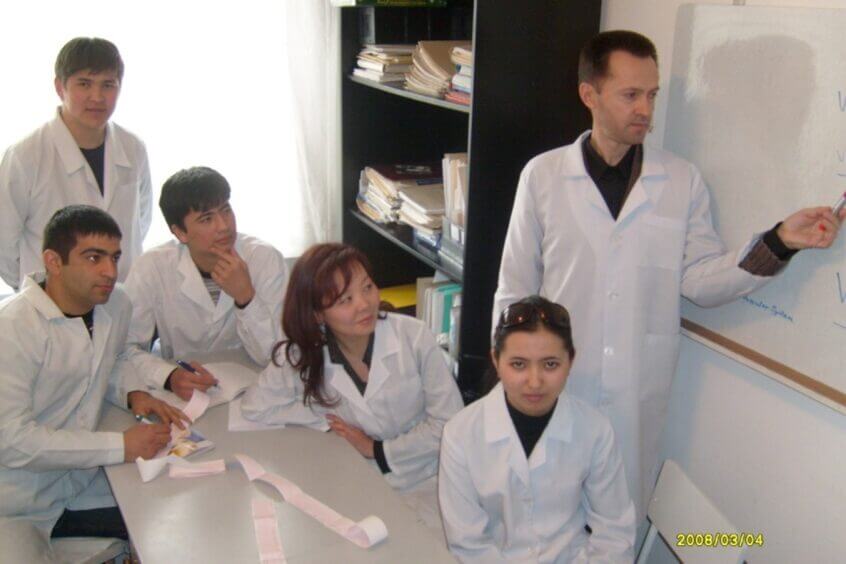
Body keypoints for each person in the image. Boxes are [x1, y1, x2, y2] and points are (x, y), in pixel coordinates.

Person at [492, 30, 846, 521]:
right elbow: (514, 288)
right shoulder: (543, 176)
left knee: (618, 521)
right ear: (589, 94)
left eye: (652, 95)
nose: (645, 109)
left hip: (635, 394)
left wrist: (780, 240)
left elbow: (700, 280)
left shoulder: (681, 181)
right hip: (554, 384)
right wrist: (514, 380)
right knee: (540, 516)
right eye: (630, 95)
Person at [0, 205, 186, 562]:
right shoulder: (13, 328)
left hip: (80, 480)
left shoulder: (116, 303)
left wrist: (132, 392)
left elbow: (109, 358)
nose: (110, 272)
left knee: (168, 520)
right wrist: (120, 446)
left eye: (115, 257)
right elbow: (12, 441)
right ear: (53, 262)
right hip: (16, 500)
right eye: (93, 258)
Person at [241, 243, 463, 529]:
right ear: (317, 314)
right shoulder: (306, 355)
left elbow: (449, 424)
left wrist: (376, 449)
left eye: (367, 287)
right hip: (359, 481)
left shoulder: (414, 337)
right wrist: (325, 418)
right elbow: (256, 406)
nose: (364, 304)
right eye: (345, 299)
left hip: (430, 477)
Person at [439, 296, 635, 562]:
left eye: (550, 364)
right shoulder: (460, 435)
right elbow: (468, 543)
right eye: (518, 364)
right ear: (496, 360)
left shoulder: (596, 431)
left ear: (570, 361)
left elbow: (615, 533)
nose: (534, 382)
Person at [0, 37, 152, 289]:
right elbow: (3, 243)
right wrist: (39, 292)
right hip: (50, 301)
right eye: (84, 84)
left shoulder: (133, 148)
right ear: (60, 87)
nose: (97, 97)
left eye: (108, 85)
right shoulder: (25, 155)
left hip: (120, 296)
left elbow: (141, 221)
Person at [124, 166, 288, 400]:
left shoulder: (264, 259)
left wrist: (246, 299)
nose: (224, 226)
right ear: (180, 232)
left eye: (226, 210)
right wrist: (168, 376)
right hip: (185, 389)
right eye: (207, 219)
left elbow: (277, 355)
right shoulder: (151, 267)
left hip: (255, 386)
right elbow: (126, 349)